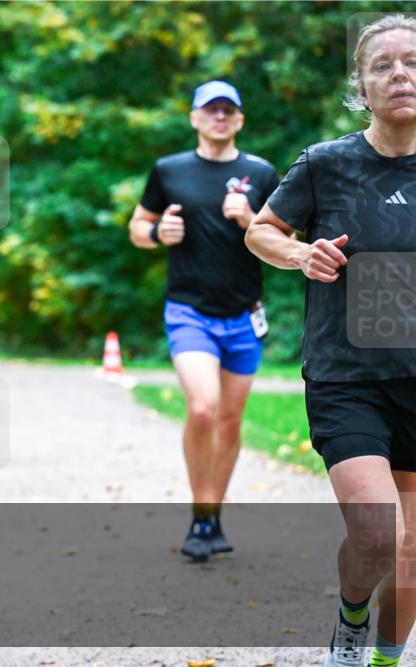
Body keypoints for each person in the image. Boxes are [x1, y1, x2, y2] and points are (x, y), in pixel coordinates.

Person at [245, 15, 416, 667]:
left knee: (411, 552)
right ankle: (350, 626)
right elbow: (260, 230)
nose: (401, 74)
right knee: (376, 535)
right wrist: (296, 253)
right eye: (384, 65)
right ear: (361, 85)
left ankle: (384, 658)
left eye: (414, 61)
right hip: (349, 376)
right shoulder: (327, 163)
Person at [127, 80, 281, 561]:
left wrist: (249, 218)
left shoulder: (261, 172)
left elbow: (285, 237)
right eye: (210, 110)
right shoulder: (168, 170)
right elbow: (137, 227)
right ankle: (200, 514)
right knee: (203, 409)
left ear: (239, 120)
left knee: (231, 421)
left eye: (228, 111)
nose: (219, 117)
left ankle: (212, 516)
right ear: (194, 117)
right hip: (189, 309)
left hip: (243, 313)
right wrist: (157, 231)